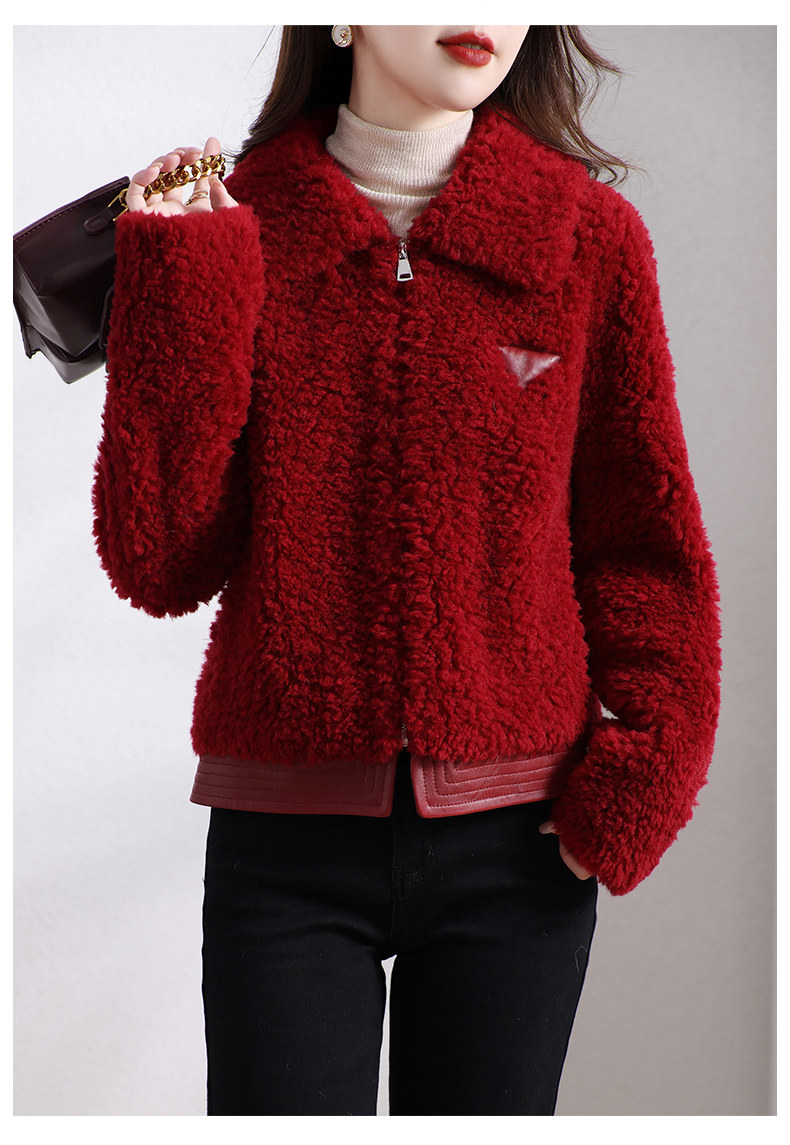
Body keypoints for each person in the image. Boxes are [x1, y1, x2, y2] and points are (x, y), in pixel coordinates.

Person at [92, 25, 722, 1116]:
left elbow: (645, 534)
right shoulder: (234, 227)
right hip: (282, 843)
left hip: (519, 847)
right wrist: (182, 284)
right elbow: (159, 559)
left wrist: (640, 781)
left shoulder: (585, 238)